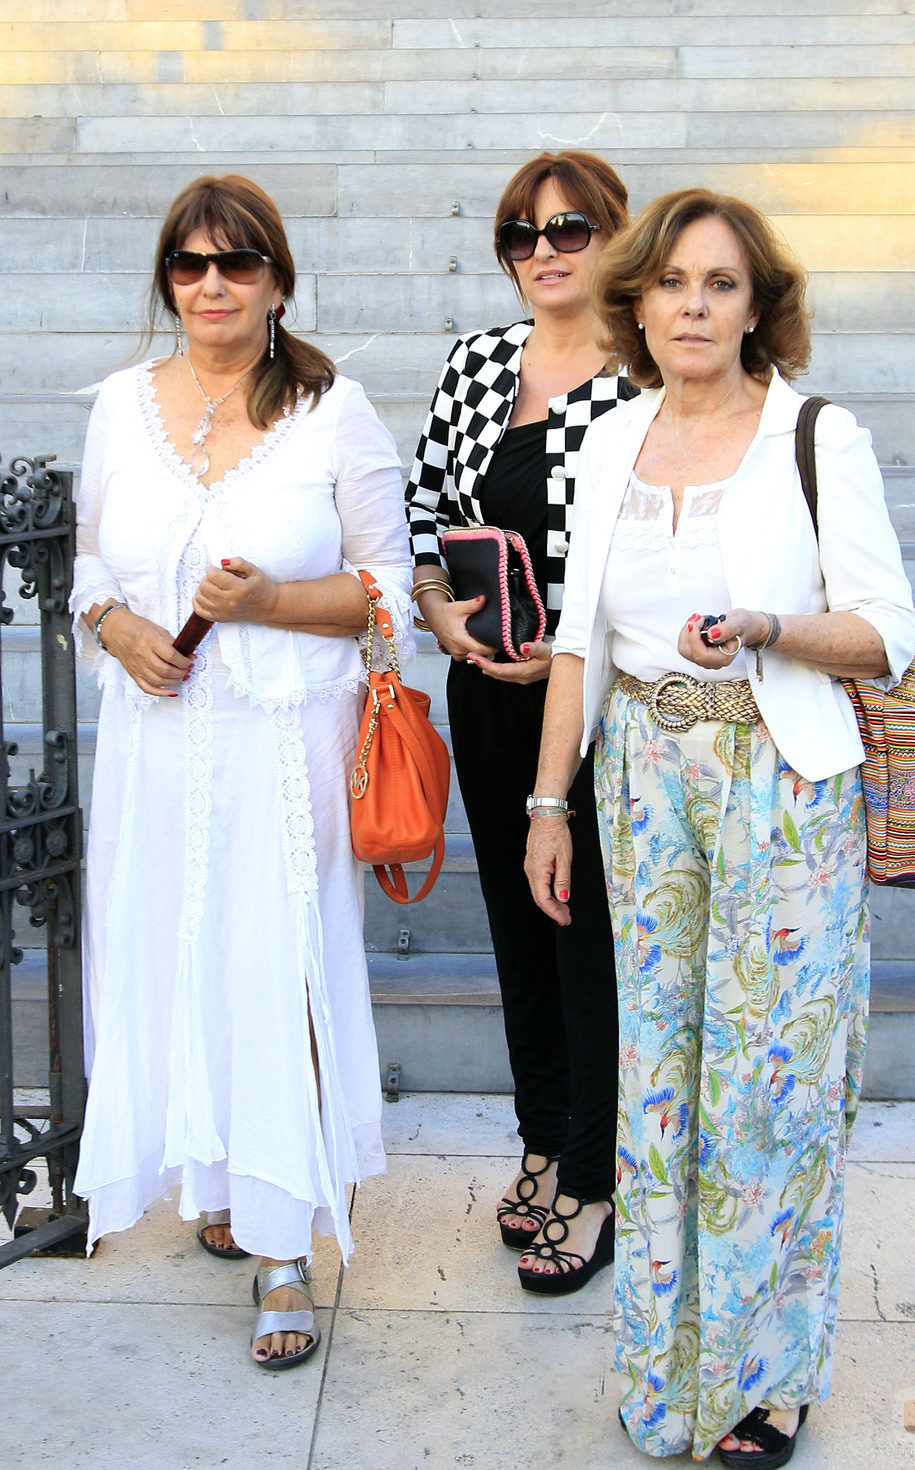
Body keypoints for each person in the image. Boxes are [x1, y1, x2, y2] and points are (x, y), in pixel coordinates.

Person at [524, 188, 915, 1460]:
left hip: (777, 779)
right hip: (640, 781)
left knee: (771, 1086)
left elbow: (884, 629)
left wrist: (764, 628)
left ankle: (769, 1379)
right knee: (663, 1089)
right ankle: (666, 1363)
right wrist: (547, 804)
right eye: (673, 283)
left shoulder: (814, 435)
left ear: (758, 308)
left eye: (721, 285)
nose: (693, 306)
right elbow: (577, 639)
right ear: (637, 299)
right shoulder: (607, 438)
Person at [70, 174, 412, 1369]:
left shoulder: (333, 411)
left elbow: (387, 605)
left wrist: (269, 600)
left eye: (237, 263)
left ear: (276, 280)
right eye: (188, 265)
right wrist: (116, 629)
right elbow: (85, 569)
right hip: (158, 749)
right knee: (182, 961)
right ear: (168, 281)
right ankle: (219, 1179)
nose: (211, 284)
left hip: (285, 750)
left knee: (281, 974)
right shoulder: (121, 406)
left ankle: (282, 1249)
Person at [405, 151, 636, 1293]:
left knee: (584, 933)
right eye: (519, 234)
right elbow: (423, 521)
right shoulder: (475, 363)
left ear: (614, 237)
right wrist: (445, 623)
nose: (541, 251)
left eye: (568, 228)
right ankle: (542, 1140)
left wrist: (578, 651)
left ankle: (595, 1181)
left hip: (598, 705)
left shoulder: (646, 376)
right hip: (485, 694)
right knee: (514, 923)